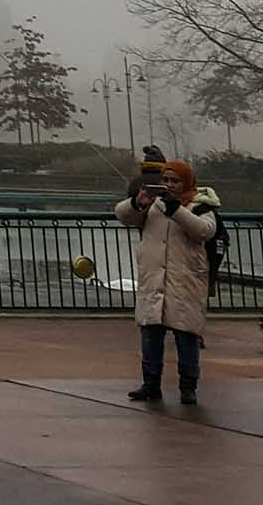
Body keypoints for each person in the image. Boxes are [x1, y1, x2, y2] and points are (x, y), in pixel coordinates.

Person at [116, 156, 215, 404]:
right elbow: (123, 216)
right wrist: (138, 202)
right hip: (155, 281)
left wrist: (177, 210)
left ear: (187, 182)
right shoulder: (154, 206)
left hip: (185, 282)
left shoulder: (201, 206)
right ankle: (150, 384)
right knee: (150, 335)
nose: (169, 185)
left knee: (186, 337)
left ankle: (188, 386)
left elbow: (204, 231)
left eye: (175, 180)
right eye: (166, 180)